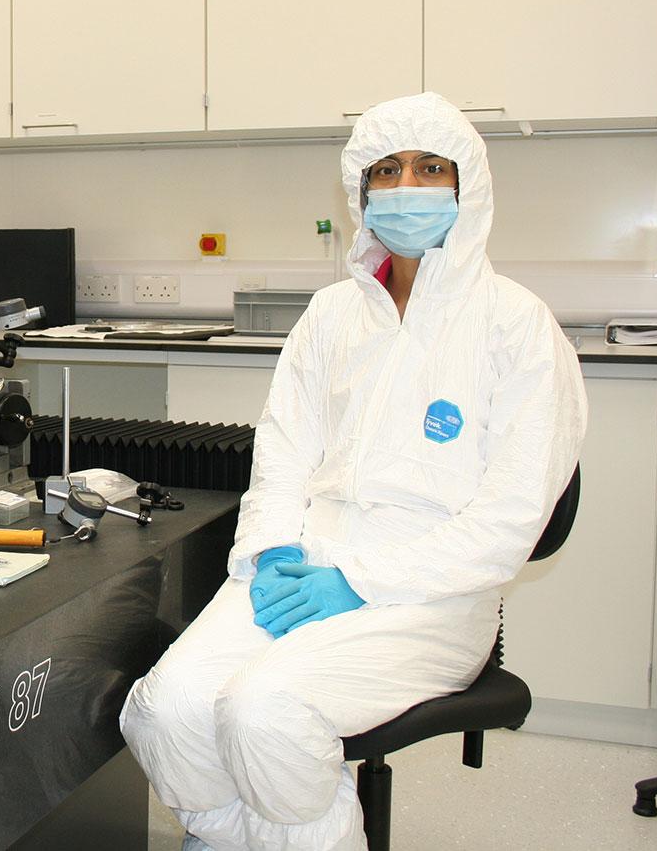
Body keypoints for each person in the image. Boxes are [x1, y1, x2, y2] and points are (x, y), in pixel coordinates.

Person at [120, 92, 588, 851]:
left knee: (264, 710)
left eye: (430, 168)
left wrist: (361, 580)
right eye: (387, 170)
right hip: (301, 568)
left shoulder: (517, 326)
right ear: (361, 192)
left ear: (468, 185)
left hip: (434, 596)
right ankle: (230, 838)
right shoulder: (332, 316)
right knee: (163, 708)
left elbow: (507, 524)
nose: (407, 187)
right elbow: (281, 454)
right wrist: (273, 550)